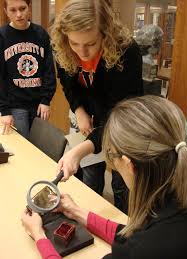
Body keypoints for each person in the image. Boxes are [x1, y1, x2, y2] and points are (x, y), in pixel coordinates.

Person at [21, 95, 187, 258]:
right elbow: (132, 234)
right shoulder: (173, 203)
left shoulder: (141, 250)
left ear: (129, 165)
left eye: (111, 155)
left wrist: (39, 236)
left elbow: (135, 244)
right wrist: (76, 211)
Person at [50, 0, 143, 212]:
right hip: (89, 120)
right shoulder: (63, 46)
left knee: (123, 185)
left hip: (123, 122)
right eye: (74, 43)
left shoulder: (126, 52)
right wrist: (80, 111)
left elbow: (119, 116)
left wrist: (80, 151)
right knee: (91, 176)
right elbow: (68, 86)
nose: (81, 52)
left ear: (106, 33)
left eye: (90, 44)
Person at [0, 0, 56, 138]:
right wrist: (4, 111)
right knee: (23, 146)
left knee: (40, 146)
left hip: (39, 104)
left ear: (29, 7)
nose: (19, 14)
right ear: (6, 11)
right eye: (13, 10)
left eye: (22, 8)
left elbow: (49, 70)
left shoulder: (41, 34)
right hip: (15, 104)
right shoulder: (2, 36)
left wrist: (45, 100)